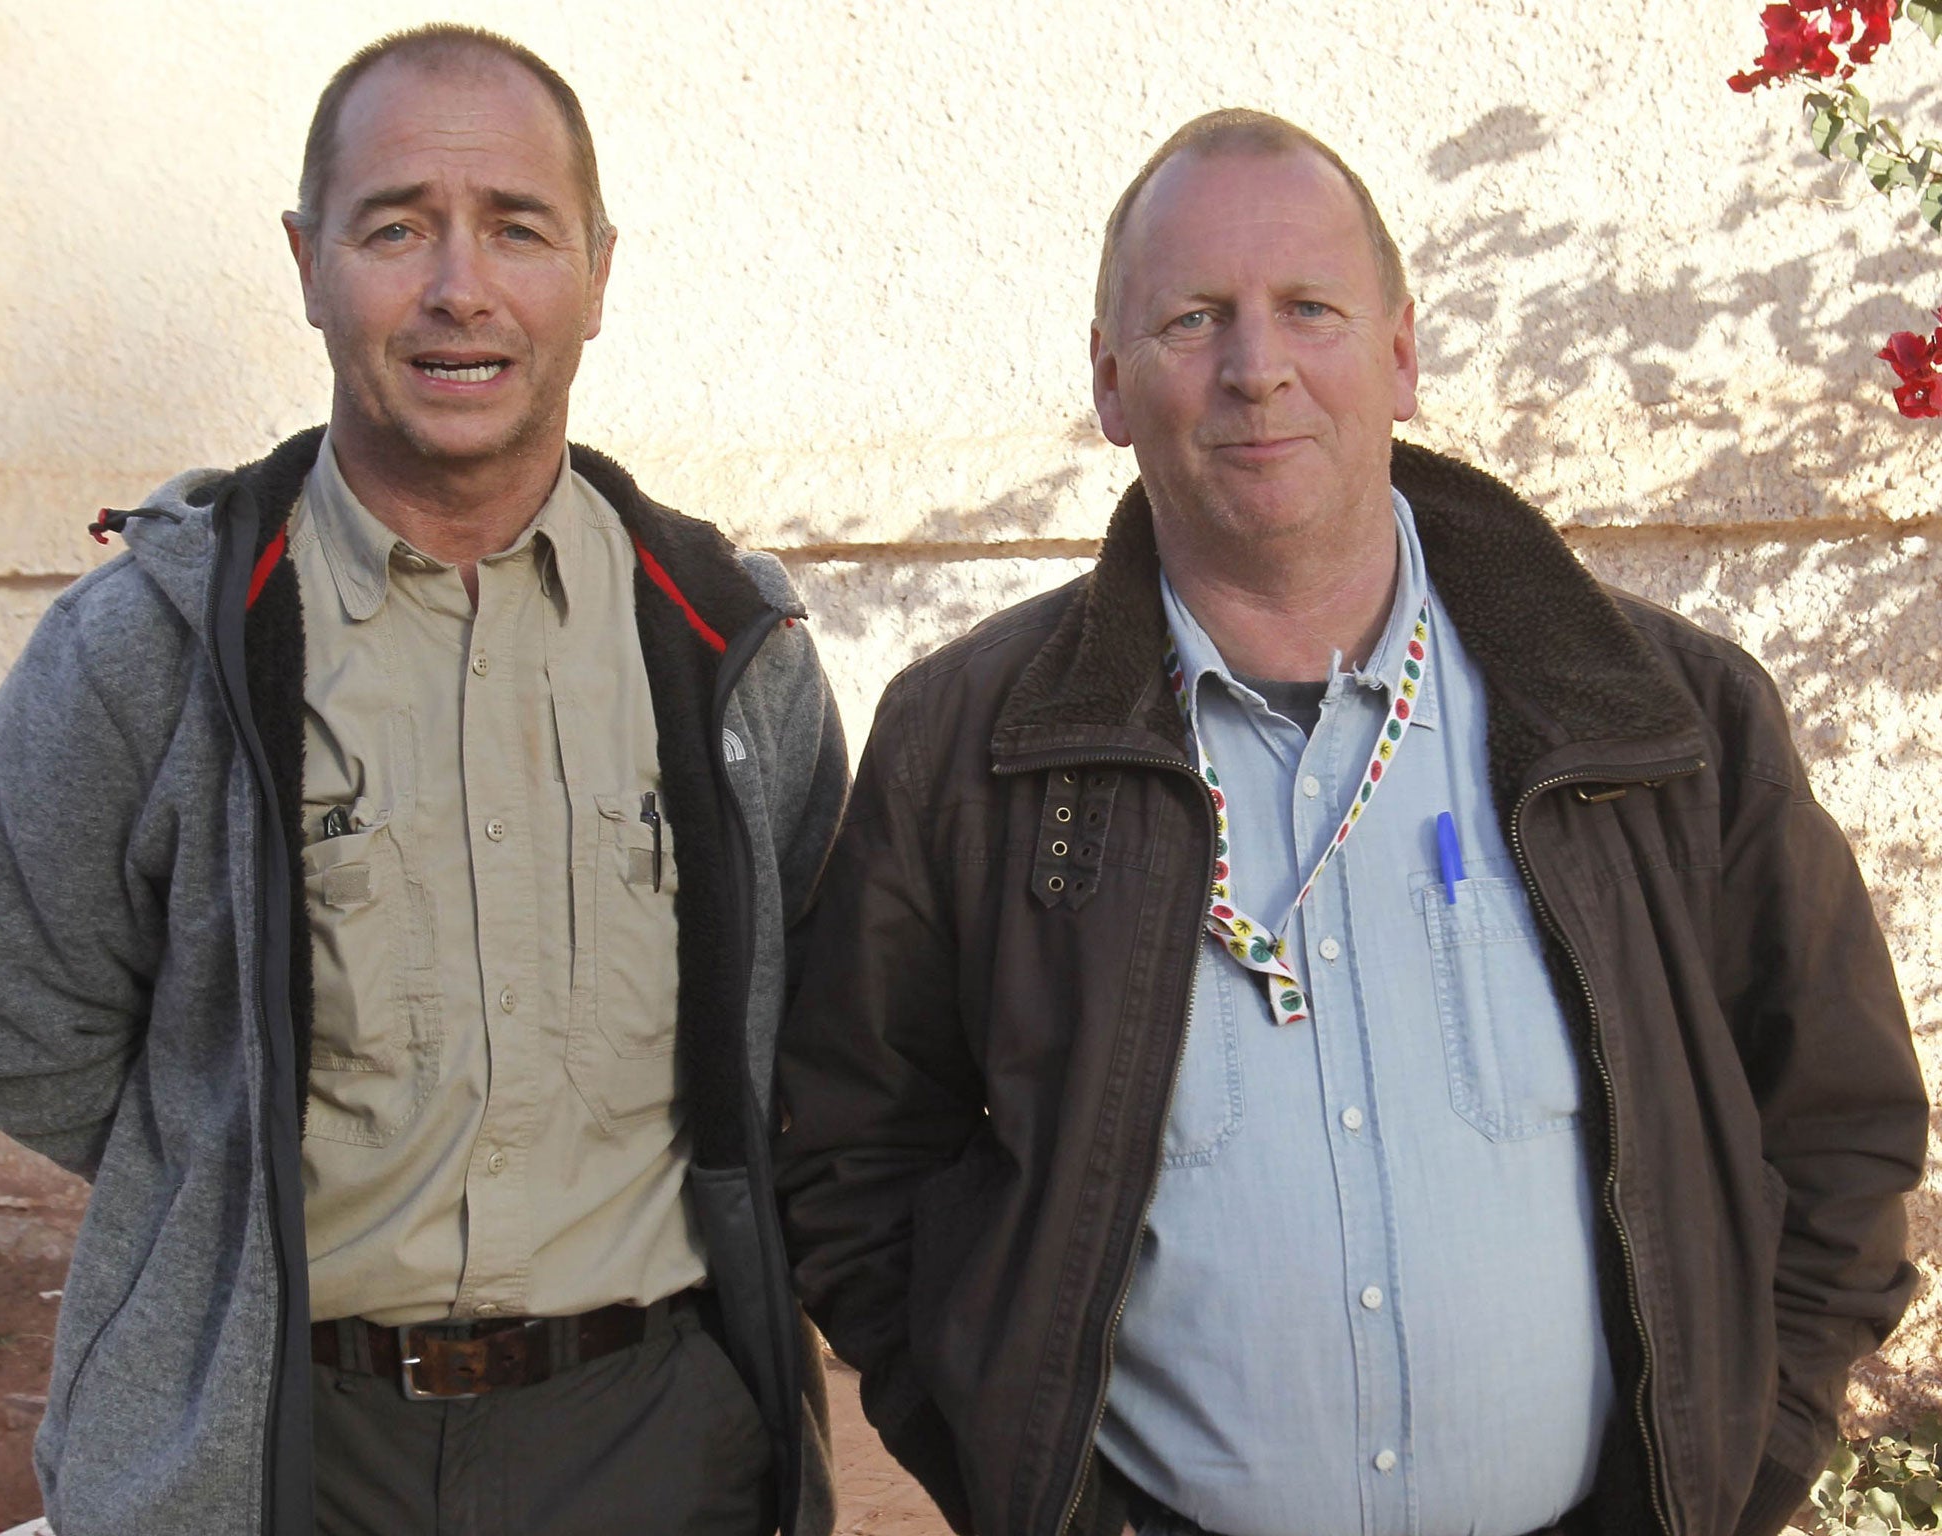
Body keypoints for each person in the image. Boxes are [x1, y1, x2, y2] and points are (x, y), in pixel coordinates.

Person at [774, 109, 1926, 1536]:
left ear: (1399, 358)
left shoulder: (1665, 725)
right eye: (1194, 318)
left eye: (1308, 309)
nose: (1258, 370)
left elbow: (1843, 1133)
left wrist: (1733, 1474)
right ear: (1111, 380)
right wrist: (1027, 1484)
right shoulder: (970, 749)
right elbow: (851, 1158)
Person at [0, 24, 845, 1536]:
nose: (458, 289)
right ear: (307, 262)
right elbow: (19, 1029)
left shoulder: (731, 654)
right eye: (396, 225)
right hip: (277, 1453)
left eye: (517, 227)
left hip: (655, 1445)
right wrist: (217, 1201)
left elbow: (807, 1045)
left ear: (598, 273)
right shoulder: (150, 650)